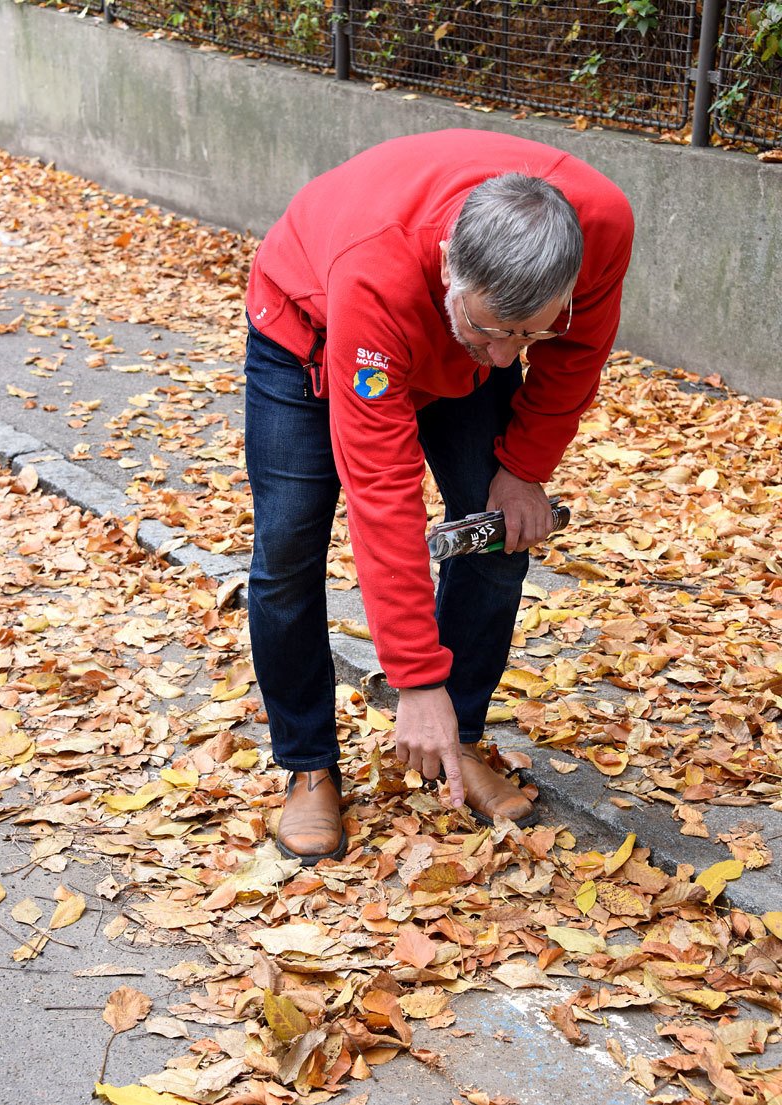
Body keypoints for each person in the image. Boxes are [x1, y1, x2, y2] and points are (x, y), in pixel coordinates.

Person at [243, 128, 634, 865]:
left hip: (434, 331)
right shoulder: (375, 271)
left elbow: (580, 352)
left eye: (529, 333)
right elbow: (382, 493)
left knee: (498, 528)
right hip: (311, 334)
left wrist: (524, 466)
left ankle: (460, 738)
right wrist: (416, 675)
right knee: (290, 546)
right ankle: (307, 764)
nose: (505, 359)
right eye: (494, 330)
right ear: (452, 266)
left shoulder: (600, 224)